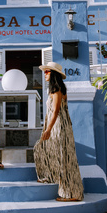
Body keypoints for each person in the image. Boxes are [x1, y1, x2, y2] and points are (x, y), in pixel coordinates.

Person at [34, 62, 84, 201]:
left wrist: (48, 129)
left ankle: (70, 193)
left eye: (47, 71)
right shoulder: (56, 89)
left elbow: (56, 110)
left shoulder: (56, 89)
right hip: (57, 125)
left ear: (53, 73)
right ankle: (50, 176)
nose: (45, 74)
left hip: (59, 126)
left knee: (63, 157)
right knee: (52, 152)